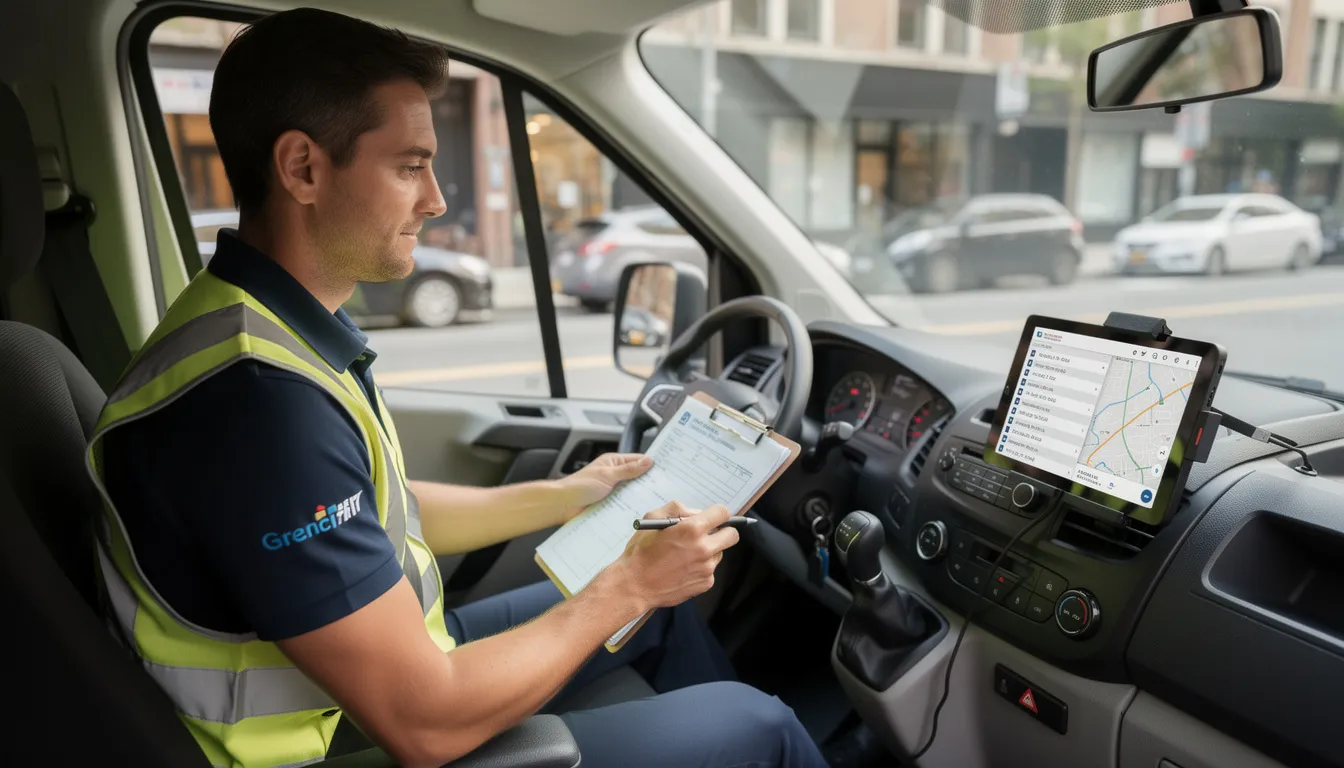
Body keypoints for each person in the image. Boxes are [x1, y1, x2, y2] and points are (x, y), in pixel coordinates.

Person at [87, 7, 827, 768]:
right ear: (303, 168)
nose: (437, 199)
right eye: (410, 166)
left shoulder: (258, 326)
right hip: (316, 745)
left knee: (661, 620)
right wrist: (627, 587)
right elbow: (425, 723)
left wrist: (572, 493)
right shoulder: (258, 407)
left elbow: (381, 515)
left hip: (357, 678)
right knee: (757, 723)